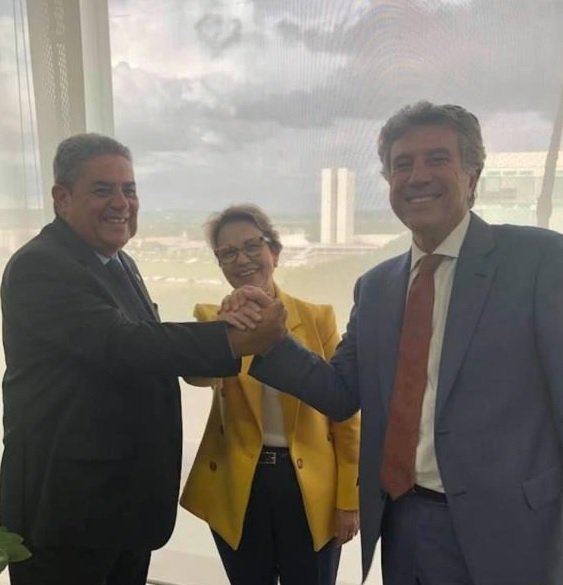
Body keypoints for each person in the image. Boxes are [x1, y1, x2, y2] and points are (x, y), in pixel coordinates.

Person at [228, 102, 563, 585]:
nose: (417, 176)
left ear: (472, 174)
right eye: (402, 164)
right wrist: (273, 341)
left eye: (437, 159)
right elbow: (342, 393)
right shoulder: (377, 286)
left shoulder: (539, 261)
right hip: (402, 522)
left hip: (511, 531)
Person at [0, 134, 284, 585]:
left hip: (121, 508)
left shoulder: (119, 263)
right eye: (103, 190)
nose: (122, 203)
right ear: (62, 198)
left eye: (129, 189)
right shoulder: (41, 266)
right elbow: (123, 343)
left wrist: (227, 328)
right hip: (67, 512)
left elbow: (145, 349)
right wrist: (234, 339)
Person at [180, 204, 360, 585]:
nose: (242, 259)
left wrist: (349, 498)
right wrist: (225, 334)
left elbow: (345, 413)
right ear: (220, 264)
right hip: (239, 486)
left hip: (311, 487)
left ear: (274, 252)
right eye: (228, 253)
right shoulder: (212, 318)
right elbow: (197, 376)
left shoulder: (317, 317)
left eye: (251, 246)